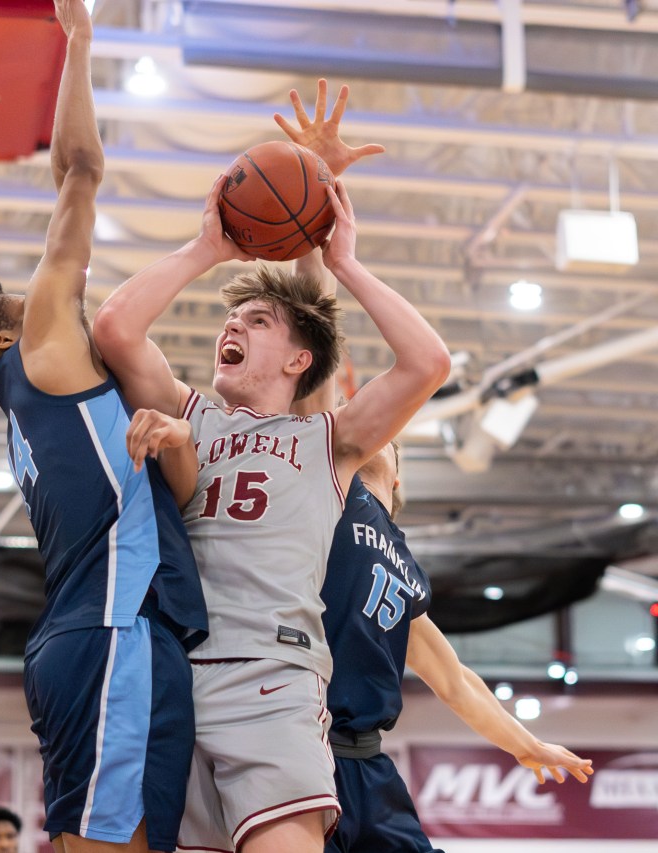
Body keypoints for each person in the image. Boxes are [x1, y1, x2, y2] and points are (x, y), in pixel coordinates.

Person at [94, 83, 452, 853]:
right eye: (233, 317)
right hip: (178, 684)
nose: (234, 322)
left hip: (274, 682)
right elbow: (117, 327)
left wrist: (342, 260)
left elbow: (428, 361)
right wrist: (207, 249)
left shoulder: (332, 440)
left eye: (257, 320)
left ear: (298, 358)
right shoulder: (191, 413)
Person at [0, 3, 207, 852]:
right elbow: (79, 168)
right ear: (4, 333)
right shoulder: (43, 347)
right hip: (110, 630)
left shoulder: (34, 409)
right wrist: (80, 42)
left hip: (102, 633)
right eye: (20, 292)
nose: (38, 288)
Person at [320, 441, 594, 853]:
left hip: (367, 762)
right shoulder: (331, 489)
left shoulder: (402, 562)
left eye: (392, 440)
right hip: (308, 746)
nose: (382, 433)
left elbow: (455, 681)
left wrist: (527, 746)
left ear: (398, 478)